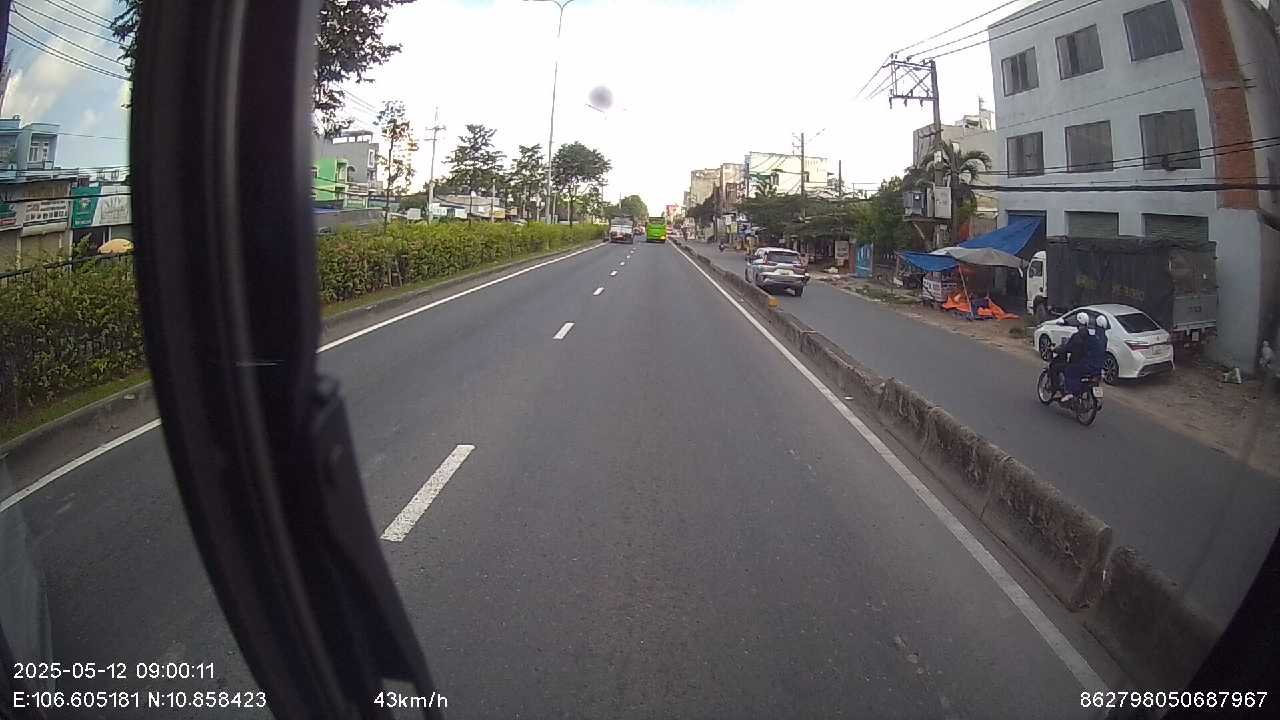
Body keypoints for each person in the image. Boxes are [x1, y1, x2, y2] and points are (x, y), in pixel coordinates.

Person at [1054, 312, 1092, 402]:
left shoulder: (1076, 336)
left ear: (1078, 324)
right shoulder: (1090, 336)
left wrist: (1056, 350)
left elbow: (1067, 348)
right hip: (1088, 364)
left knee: (1057, 368)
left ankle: (1067, 392)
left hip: (1076, 363)